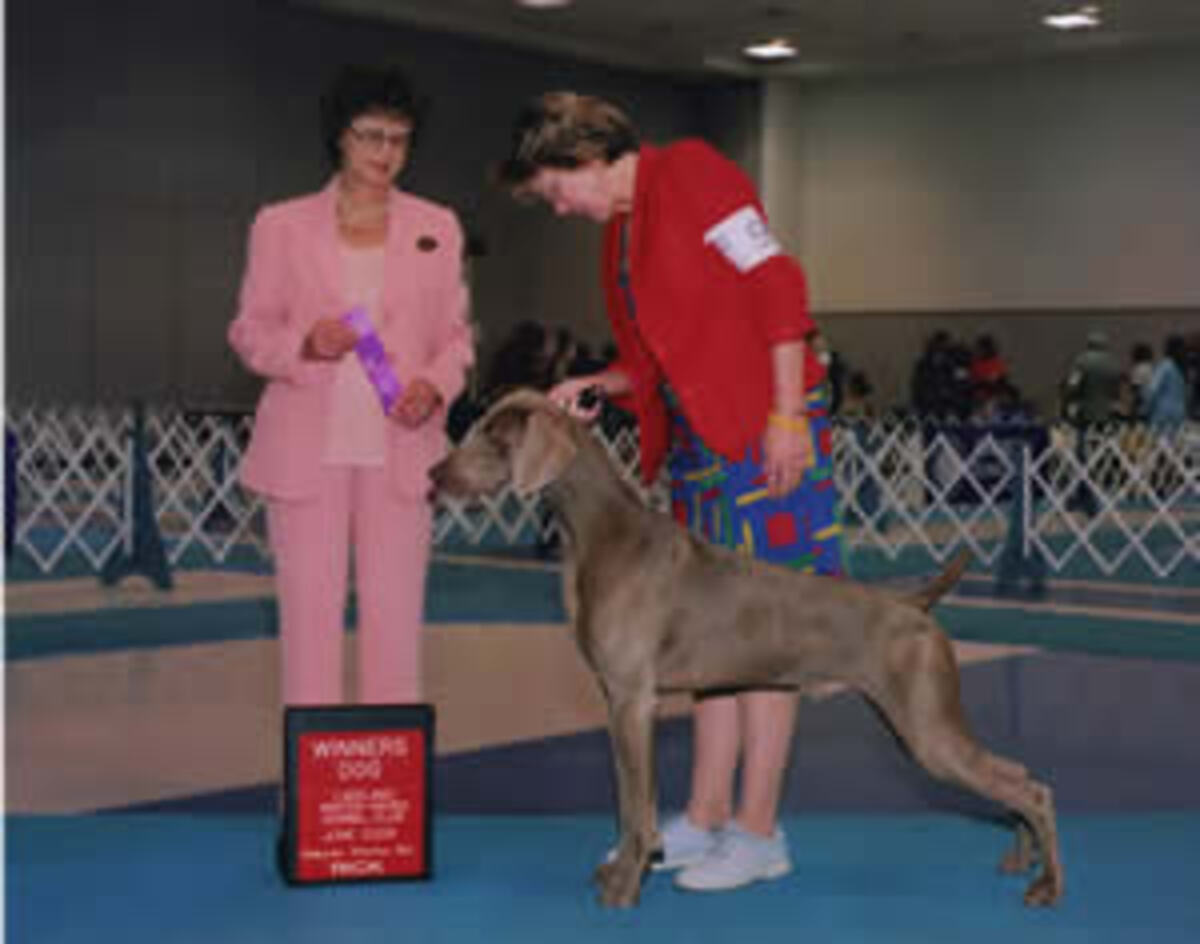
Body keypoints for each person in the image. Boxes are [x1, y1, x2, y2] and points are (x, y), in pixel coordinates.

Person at [496, 92, 843, 892]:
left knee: (766, 632)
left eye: (555, 190)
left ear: (586, 158)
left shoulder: (692, 173)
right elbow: (653, 363)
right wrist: (601, 382)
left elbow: (777, 283)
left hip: (762, 430)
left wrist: (788, 416)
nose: (558, 208)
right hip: (696, 448)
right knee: (709, 637)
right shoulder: (619, 233)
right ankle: (707, 815)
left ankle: (761, 832)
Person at [228, 65, 473, 707]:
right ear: (339, 137)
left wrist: (434, 386)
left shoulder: (439, 226)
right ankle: (311, 795)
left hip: (402, 456)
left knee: (397, 631)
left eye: (399, 139)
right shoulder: (279, 225)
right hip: (307, 456)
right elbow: (249, 332)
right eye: (370, 136)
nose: (384, 153)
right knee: (308, 630)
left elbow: (457, 339)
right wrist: (303, 345)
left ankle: (388, 798)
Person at [1145, 334, 1189, 431]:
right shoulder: (1182, 369)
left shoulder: (1165, 365)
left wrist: (1145, 408)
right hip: (1179, 414)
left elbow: (1152, 389)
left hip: (1162, 414)